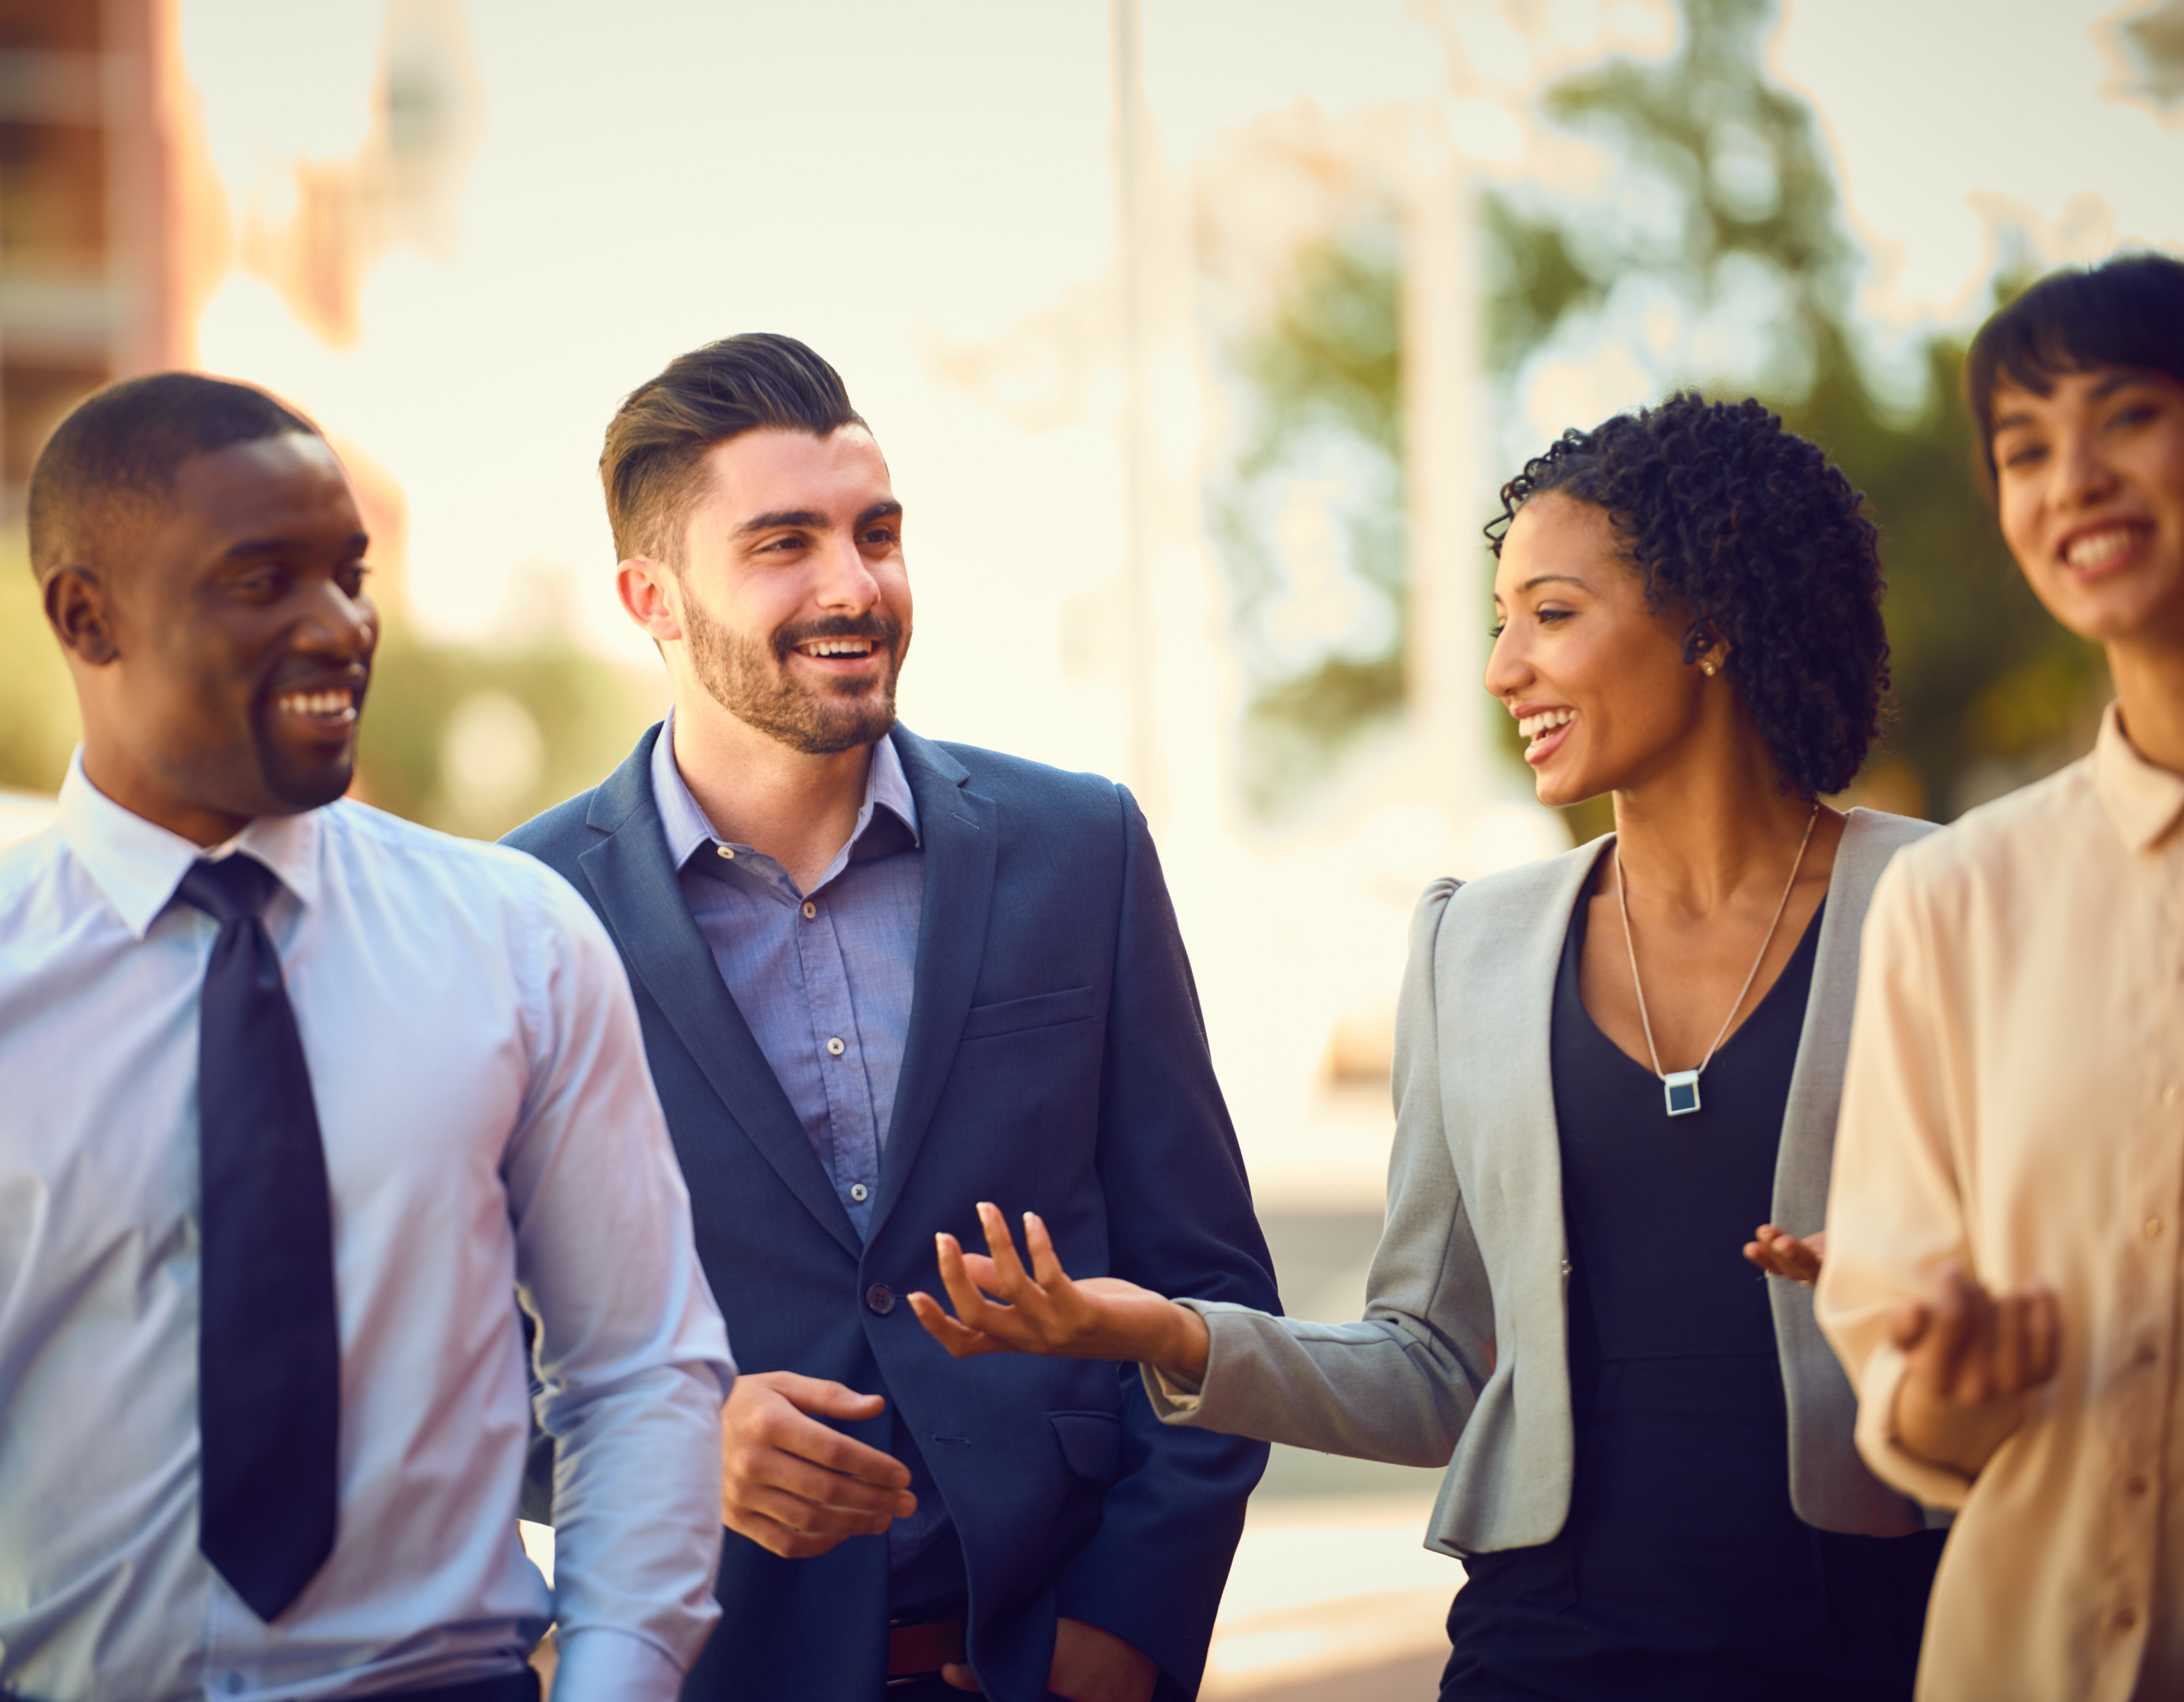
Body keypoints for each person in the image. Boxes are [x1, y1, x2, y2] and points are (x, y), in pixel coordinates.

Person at [0, 373, 734, 1702]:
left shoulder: (521, 943)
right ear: (87, 615)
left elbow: (638, 1368)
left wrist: (612, 1683)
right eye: (263, 582)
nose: (339, 628)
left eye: (349, 576)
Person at [912, 393, 1954, 1698]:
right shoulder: (1475, 945)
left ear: (1709, 621)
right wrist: (1166, 1335)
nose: (1501, 668)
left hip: (1882, 1633)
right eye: (1500, 621)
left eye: (1552, 614)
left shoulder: (1950, 906)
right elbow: (1437, 1365)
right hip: (1550, 1645)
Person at [503, 333, 1278, 1702]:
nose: (854, 585)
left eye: (876, 532)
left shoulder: (1078, 847)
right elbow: (436, 1358)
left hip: (1047, 1658)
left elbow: (1209, 1287)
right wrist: (671, 1445)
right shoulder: (519, 912)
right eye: (783, 544)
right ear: (653, 599)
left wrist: (1126, 1639)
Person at [1815, 251, 2184, 1700]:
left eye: (2130, 415)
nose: (2071, 477)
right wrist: (1952, 1384)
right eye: (2023, 447)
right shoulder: (1955, 896)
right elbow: (1893, 1370)